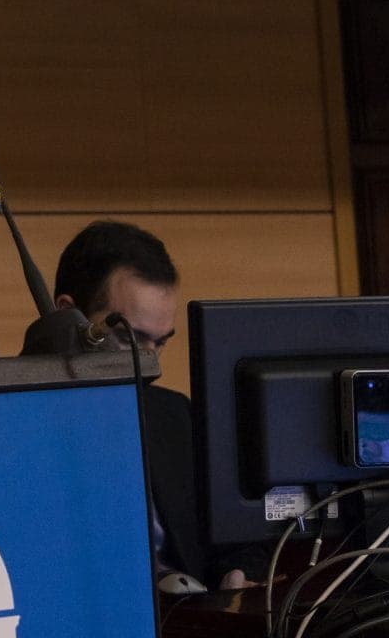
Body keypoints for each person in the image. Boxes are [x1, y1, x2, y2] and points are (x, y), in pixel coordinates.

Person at [48, 219, 246, 591]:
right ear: (66, 316)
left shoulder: (174, 416)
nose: (151, 367)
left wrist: (234, 574)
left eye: (160, 343)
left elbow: (232, 542)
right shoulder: (17, 426)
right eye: (129, 339)